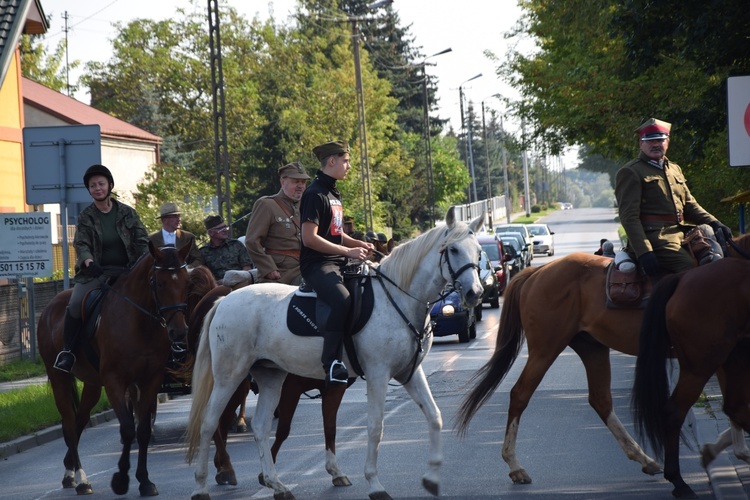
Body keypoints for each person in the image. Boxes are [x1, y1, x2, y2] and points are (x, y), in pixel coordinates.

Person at [54, 164, 150, 372]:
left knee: (158, 295)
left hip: (129, 271)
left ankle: (171, 348)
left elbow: (142, 239)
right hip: (97, 272)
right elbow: (81, 243)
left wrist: (143, 262)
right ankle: (68, 352)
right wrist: (88, 261)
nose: (97, 188)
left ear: (110, 185)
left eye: (101, 184)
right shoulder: (86, 216)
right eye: (92, 186)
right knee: (75, 302)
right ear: (89, 190)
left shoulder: (127, 212)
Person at [615, 118, 732, 277]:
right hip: (655, 237)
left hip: (681, 232)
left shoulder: (674, 169)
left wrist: (715, 222)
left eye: (660, 140)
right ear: (640, 144)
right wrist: (644, 252)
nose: (656, 144)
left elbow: (690, 206)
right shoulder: (631, 172)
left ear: (667, 142)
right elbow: (629, 217)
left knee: (718, 257)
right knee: (687, 265)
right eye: (650, 141)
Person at [299, 140, 373, 386]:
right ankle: (331, 363)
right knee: (343, 299)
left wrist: (357, 245)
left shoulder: (332, 193)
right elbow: (309, 239)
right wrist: (346, 251)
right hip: (317, 265)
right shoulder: (314, 194)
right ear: (332, 161)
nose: (349, 166)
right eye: (346, 161)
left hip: (338, 261)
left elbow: (335, 233)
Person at [244, 162, 309, 285]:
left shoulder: (306, 206)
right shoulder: (267, 205)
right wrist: (268, 268)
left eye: (303, 182)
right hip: (280, 273)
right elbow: (252, 241)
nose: (300, 186)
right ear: (283, 182)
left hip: (305, 268)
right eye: (296, 181)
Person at [199, 215, 253, 284]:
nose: (225, 230)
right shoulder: (203, 252)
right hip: (217, 288)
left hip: (239, 284)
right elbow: (204, 276)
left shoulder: (236, 245)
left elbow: (247, 269)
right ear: (210, 232)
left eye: (225, 227)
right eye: (220, 228)